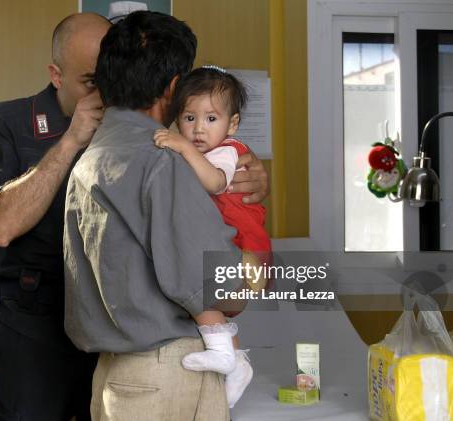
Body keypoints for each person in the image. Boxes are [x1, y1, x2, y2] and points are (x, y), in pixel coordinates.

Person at [63, 11, 268, 421]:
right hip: (167, 374)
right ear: (174, 87)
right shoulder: (163, 159)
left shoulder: (92, 154)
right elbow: (222, 290)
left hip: (113, 371)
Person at [0, 13, 111, 421]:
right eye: (91, 81)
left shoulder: (127, 124)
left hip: (111, 322)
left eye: (111, 79)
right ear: (56, 74)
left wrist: (241, 176)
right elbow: (0, 227)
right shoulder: (5, 122)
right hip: (34, 324)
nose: (104, 94)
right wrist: (71, 140)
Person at [153, 66, 273, 408]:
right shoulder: (207, 151)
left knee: (196, 286)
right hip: (237, 243)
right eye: (189, 118)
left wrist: (180, 147)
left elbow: (215, 183)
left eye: (210, 119)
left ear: (231, 125)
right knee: (202, 292)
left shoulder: (227, 152)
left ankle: (222, 352)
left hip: (244, 245)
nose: (198, 130)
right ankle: (236, 363)